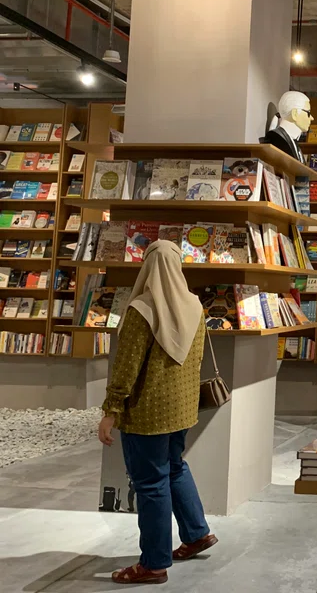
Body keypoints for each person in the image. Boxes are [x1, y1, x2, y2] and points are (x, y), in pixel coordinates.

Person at [98, 240, 217, 585]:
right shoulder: (195, 306)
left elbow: (126, 368)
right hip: (182, 410)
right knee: (175, 468)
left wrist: (111, 410)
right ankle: (196, 533)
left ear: (148, 267)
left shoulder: (142, 310)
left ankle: (153, 563)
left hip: (147, 413)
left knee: (150, 483)